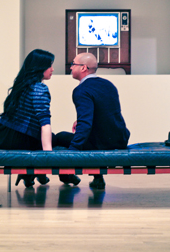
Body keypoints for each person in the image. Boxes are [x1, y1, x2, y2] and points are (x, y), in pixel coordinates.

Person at [56, 52, 130, 189]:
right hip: (120, 139)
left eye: (73, 64)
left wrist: (72, 152)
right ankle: (97, 178)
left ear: (83, 68)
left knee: (60, 137)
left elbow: (85, 124)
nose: (71, 67)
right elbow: (106, 114)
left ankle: (66, 175)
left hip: (102, 144)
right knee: (90, 136)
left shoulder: (81, 90)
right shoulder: (108, 84)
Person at [0, 49, 55, 187]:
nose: (52, 69)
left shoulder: (21, 85)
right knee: (60, 139)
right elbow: (44, 122)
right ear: (40, 67)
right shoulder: (39, 88)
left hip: (0, 135)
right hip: (17, 139)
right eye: (50, 65)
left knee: (51, 137)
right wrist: (48, 157)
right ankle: (46, 174)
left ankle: (32, 174)